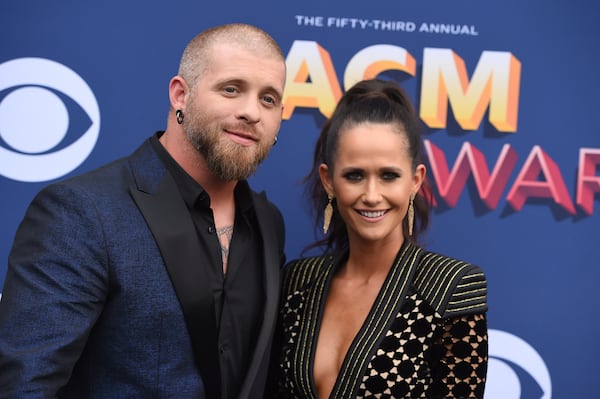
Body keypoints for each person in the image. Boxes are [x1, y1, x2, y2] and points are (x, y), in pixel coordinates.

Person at [0, 23, 286, 399]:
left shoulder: (267, 221)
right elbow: (25, 387)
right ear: (180, 95)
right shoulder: (82, 212)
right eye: (231, 89)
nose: (252, 112)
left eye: (268, 99)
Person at [269, 79, 488, 398]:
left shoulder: (450, 287)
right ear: (329, 181)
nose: (372, 196)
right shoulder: (297, 283)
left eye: (389, 176)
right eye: (354, 175)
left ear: (415, 181)